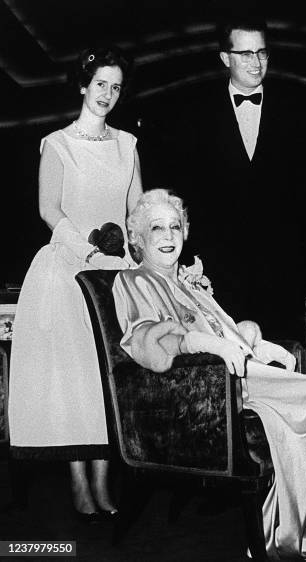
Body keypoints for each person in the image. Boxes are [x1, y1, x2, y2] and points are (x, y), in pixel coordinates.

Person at [112, 189, 306, 560]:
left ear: (186, 232)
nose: (167, 236)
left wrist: (256, 343)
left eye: (175, 227)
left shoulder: (188, 283)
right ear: (137, 239)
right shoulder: (136, 281)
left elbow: (223, 332)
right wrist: (203, 345)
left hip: (234, 380)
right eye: (156, 228)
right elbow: (145, 341)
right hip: (204, 397)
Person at [8, 45, 142, 519]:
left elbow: (136, 212)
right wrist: (89, 252)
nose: (107, 94)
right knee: (75, 382)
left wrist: (145, 256)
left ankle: (105, 484)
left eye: (116, 86)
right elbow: (50, 210)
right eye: (100, 84)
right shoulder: (57, 143)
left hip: (117, 275)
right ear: (84, 86)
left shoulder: (127, 144)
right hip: (68, 270)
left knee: (109, 381)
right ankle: (79, 484)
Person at [173, 15, 306, 344]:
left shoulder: (297, 109)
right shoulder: (194, 116)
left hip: (282, 274)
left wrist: (297, 253)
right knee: (229, 377)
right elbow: (186, 195)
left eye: (262, 52)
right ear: (225, 58)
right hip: (220, 274)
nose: (256, 62)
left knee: (285, 367)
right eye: (246, 54)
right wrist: (196, 259)